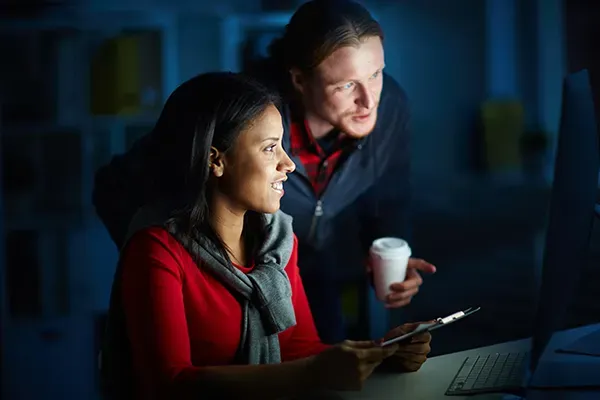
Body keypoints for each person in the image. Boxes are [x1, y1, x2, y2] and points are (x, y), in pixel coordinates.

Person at [93, 0, 436, 344]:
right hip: (237, 264)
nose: (369, 100)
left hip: (306, 259)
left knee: (328, 362)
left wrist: (391, 250)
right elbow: (117, 185)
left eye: (376, 74)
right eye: (345, 85)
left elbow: (390, 196)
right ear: (299, 79)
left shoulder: (389, 106)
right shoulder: (245, 110)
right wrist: (169, 270)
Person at [99, 72, 432, 400]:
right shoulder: (157, 251)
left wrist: (380, 353)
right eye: (270, 148)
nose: (288, 164)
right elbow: (168, 384)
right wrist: (316, 371)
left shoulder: (279, 240)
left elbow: (300, 349)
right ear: (216, 159)